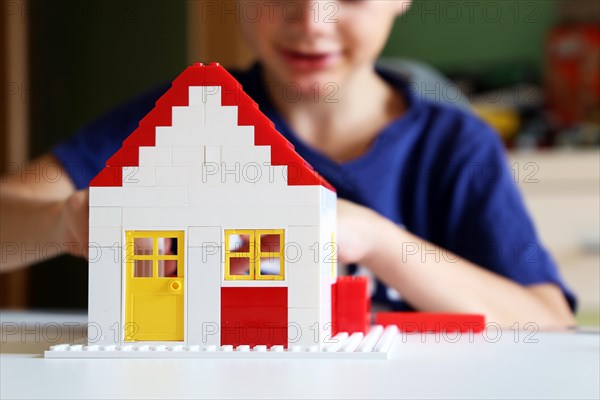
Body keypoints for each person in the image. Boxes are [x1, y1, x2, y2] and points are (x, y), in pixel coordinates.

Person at [1, 0, 575, 328]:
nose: (312, 20)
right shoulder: (189, 115)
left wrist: (374, 238)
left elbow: (548, 323)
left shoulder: (455, 146)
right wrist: (64, 220)